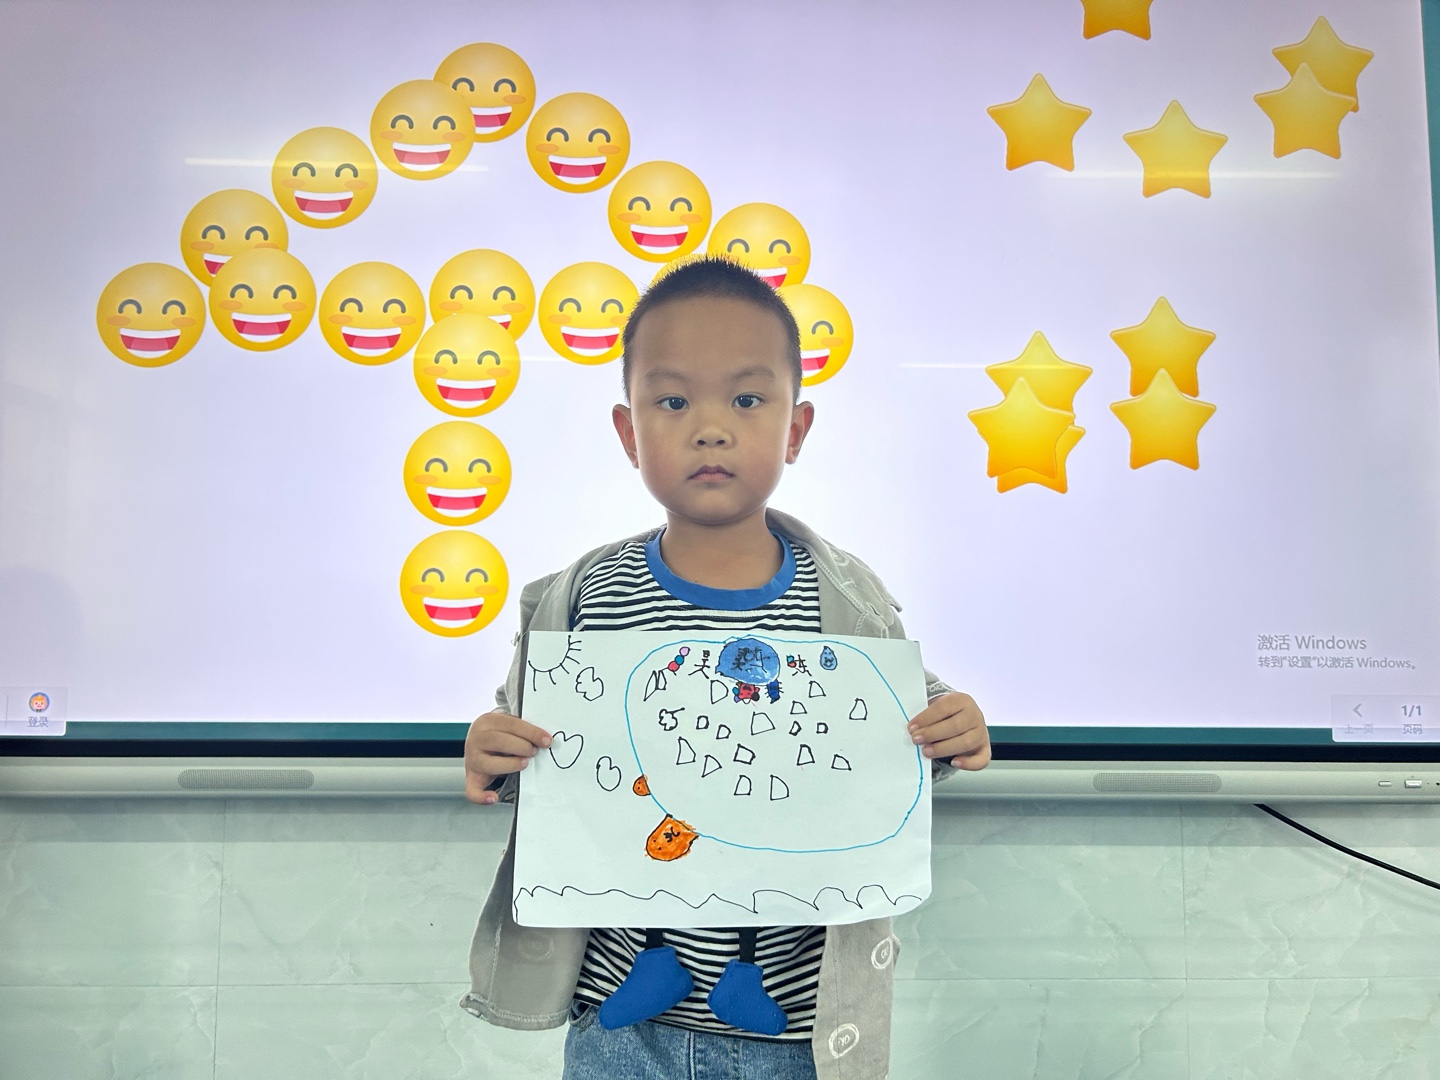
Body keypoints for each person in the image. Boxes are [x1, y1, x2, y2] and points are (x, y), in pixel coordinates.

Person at [459, 256, 991, 1080]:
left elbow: (905, 736)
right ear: (629, 434)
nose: (710, 429)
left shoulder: (845, 598)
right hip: (617, 1028)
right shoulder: (586, 596)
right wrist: (492, 752)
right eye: (673, 402)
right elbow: (530, 755)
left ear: (796, 429)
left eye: (746, 399)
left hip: (796, 1033)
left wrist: (953, 727)